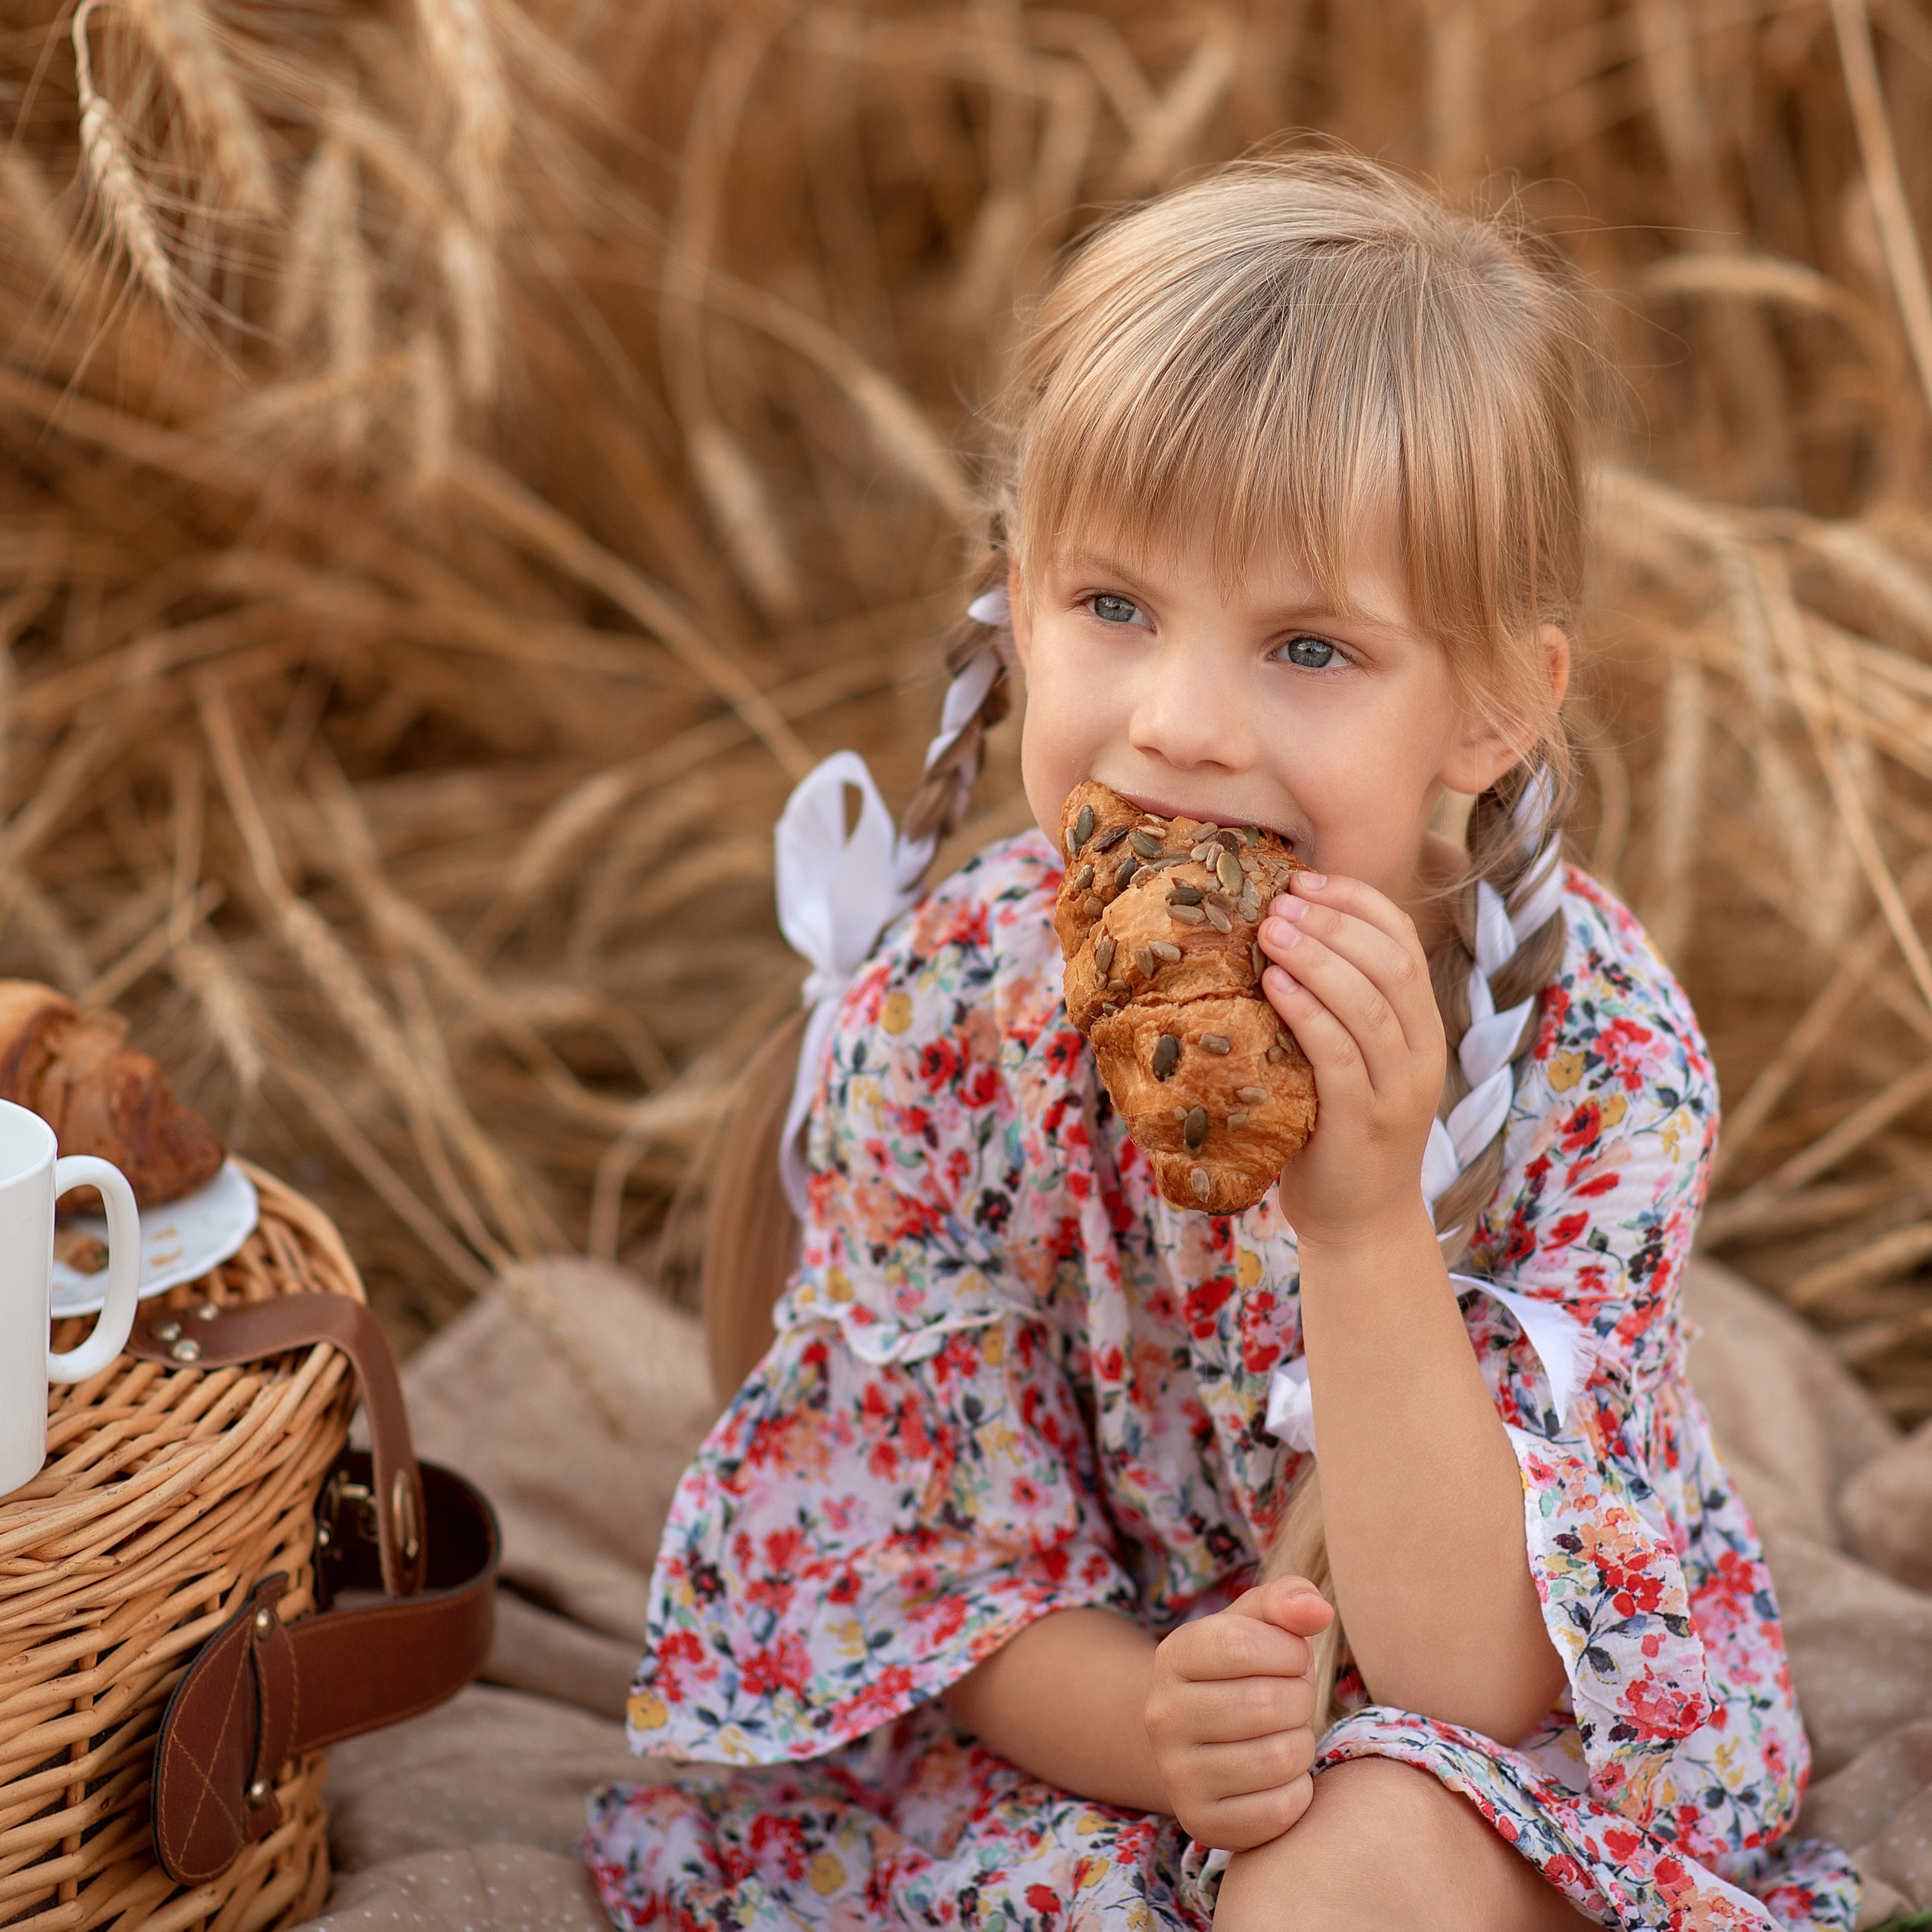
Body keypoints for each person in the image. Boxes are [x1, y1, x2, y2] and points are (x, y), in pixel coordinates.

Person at [583, 155, 1859, 1930]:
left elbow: (1468, 1679)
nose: (1178, 725)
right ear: (1016, 600)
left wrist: (1359, 1225)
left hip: (1473, 1728)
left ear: (1487, 705)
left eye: (1308, 644)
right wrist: (1142, 1724)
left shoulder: (1592, 1052)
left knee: (1366, 1862)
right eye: (1114, 606)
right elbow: (930, 1549)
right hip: (1098, 1714)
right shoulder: (952, 1015)